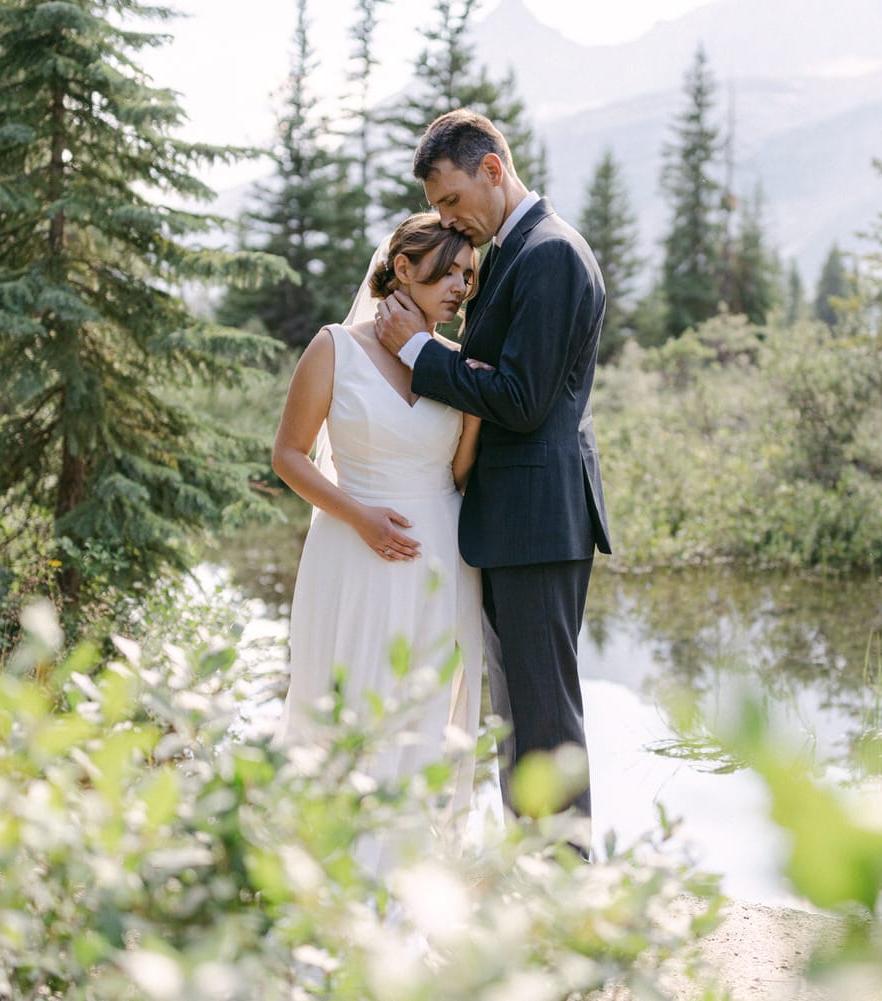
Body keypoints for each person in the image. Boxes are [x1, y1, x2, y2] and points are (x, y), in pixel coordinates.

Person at [375, 110, 611, 852]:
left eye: (450, 201)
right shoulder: (514, 253)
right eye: (437, 208)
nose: (447, 219)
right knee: (520, 719)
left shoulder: (549, 254)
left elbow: (521, 396)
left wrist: (419, 350)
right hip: (519, 523)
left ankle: (573, 903)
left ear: (492, 170)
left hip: (539, 522)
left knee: (544, 723)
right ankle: (538, 887)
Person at [271, 213, 486, 867]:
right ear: (401, 269)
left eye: (468, 276)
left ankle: (416, 867)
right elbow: (289, 455)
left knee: (429, 707)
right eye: (446, 271)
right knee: (353, 700)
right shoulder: (335, 347)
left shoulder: (458, 365)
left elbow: (456, 471)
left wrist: (474, 404)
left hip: (442, 560)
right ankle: (334, 862)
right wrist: (359, 514)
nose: (459, 287)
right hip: (353, 556)